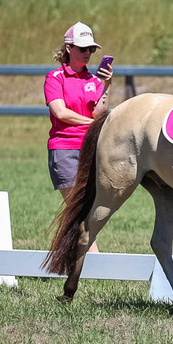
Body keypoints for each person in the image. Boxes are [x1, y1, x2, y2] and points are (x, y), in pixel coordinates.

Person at [44, 21, 112, 252]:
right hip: (64, 149)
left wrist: (106, 85)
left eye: (91, 49)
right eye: (83, 48)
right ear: (69, 48)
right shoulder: (55, 78)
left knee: (86, 211)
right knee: (80, 211)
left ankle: (74, 257)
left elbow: (98, 113)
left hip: (91, 149)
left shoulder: (94, 81)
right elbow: (60, 113)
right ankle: (94, 259)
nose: (88, 53)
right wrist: (93, 124)